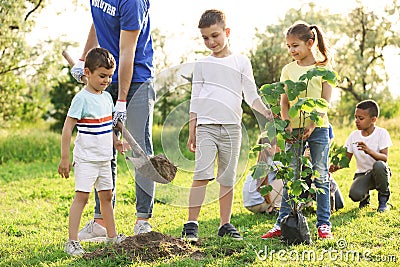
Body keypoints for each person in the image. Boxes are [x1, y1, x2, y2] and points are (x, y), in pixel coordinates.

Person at [181, 9, 272, 243]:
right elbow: (196, 97)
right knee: (201, 174)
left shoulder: (241, 62)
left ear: (226, 32)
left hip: (232, 128)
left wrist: (267, 112)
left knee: (227, 178)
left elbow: (250, 95)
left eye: (215, 36)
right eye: (205, 38)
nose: (211, 42)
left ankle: (225, 224)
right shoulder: (202, 63)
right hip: (207, 128)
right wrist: (193, 127)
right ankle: (191, 224)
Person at [70, 0, 156, 239]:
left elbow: (127, 52)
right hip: (105, 75)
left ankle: (142, 221)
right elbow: (98, 23)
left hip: (137, 77)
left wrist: (121, 101)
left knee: (138, 148)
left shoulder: (132, 2)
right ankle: (101, 222)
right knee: (103, 144)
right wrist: (83, 60)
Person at [261, 21, 335, 240]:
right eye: (288, 46)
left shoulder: (323, 69)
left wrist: (312, 124)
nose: (291, 50)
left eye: (295, 45)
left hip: (318, 129)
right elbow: (284, 101)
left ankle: (324, 224)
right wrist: (286, 125)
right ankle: (281, 223)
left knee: (320, 175)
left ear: (310, 43)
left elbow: (325, 102)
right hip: (293, 130)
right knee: (291, 177)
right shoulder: (288, 69)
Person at [58, 48, 126, 256]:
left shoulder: (106, 98)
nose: (106, 80)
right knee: (83, 197)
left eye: (109, 76)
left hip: (105, 158)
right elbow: (68, 128)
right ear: (87, 72)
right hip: (86, 159)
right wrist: (65, 158)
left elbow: (107, 126)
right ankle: (72, 241)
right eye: (102, 76)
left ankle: (112, 237)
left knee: (106, 196)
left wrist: (116, 142)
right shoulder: (81, 99)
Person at [330, 100, 392, 212]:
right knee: (354, 195)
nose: (356, 121)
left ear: (373, 120)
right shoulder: (354, 136)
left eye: (361, 118)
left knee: (379, 165)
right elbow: (346, 161)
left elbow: (384, 158)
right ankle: (365, 197)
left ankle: (383, 201)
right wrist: (336, 167)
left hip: (380, 172)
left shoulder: (382, 133)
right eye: (356, 117)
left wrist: (369, 151)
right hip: (362, 174)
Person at [242, 137, 283, 214]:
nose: (279, 148)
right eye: (277, 145)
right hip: (259, 204)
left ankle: (271, 207)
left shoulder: (261, 162)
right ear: (269, 149)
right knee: (283, 179)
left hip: (249, 205)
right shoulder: (273, 162)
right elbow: (291, 169)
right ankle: (276, 207)